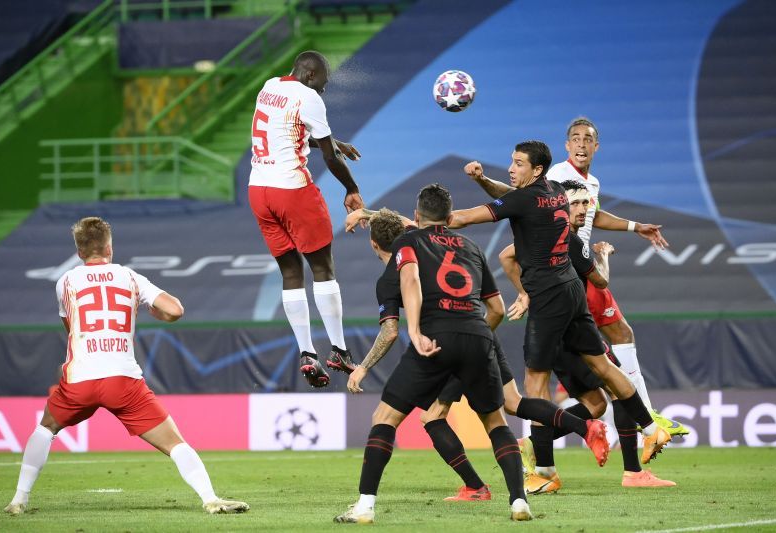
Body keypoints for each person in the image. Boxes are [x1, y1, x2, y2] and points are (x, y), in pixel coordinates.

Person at [343, 207, 608, 503]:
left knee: (432, 417)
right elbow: (409, 220)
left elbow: (390, 331)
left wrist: (363, 368)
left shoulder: (394, 272)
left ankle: (474, 487)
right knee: (512, 404)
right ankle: (584, 426)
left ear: (374, 244)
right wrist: (366, 211)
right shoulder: (421, 239)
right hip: (481, 336)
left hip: (445, 345)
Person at [448, 141, 672, 469]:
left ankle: (544, 471)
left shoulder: (526, 199)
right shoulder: (553, 189)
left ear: (536, 169)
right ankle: (652, 430)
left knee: (535, 381)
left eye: (518, 163)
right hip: (571, 290)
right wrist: (484, 180)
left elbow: (466, 218)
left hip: (549, 298)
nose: (511, 168)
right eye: (512, 162)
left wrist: (428, 222)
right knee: (604, 366)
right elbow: (510, 193)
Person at [3, 217, 248, 516]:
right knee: (175, 443)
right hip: (123, 381)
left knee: (45, 429)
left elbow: (72, 329)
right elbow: (175, 310)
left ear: (79, 252)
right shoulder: (130, 277)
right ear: (110, 247)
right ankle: (210, 499)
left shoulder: (65, 281)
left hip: (81, 378)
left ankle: (19, 499)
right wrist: (156, 313)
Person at [334, 185, 531, 524]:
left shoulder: (408, 242)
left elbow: (410, 279)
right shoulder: (471, 246)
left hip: (434, 338)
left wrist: (416, 331)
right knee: (496, 422)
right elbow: (496, 308)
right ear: (449, 215)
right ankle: (518, 503)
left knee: (385, 418)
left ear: (416, 215)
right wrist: (475, 334)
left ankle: (364, 507)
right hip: (478, 334)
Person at [503, 181, 676, 490]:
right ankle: (632, 464)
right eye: (576, 203)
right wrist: (525, 293)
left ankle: (538, 454)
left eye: (586, 203)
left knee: (597, 402)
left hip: (571, 327)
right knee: (604, 383)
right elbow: (508, 255)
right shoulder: (556, 238)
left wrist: (527, 292)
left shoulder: (567, 239)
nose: (584, 209)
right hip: (561, 333)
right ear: (558, 206)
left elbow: (509, 256)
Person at [247, 50, 364, 388]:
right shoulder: (309, 97)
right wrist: (351, 188)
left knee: (290, 272)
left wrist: (334, 141)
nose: (322, 92)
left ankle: (306, 353)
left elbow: (286, 132)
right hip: (291, 190)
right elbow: (329, 156)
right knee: (323, 269)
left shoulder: (270, 87)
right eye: (323, 86)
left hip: (259, 190)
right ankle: (340, 349)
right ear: (311, 76)